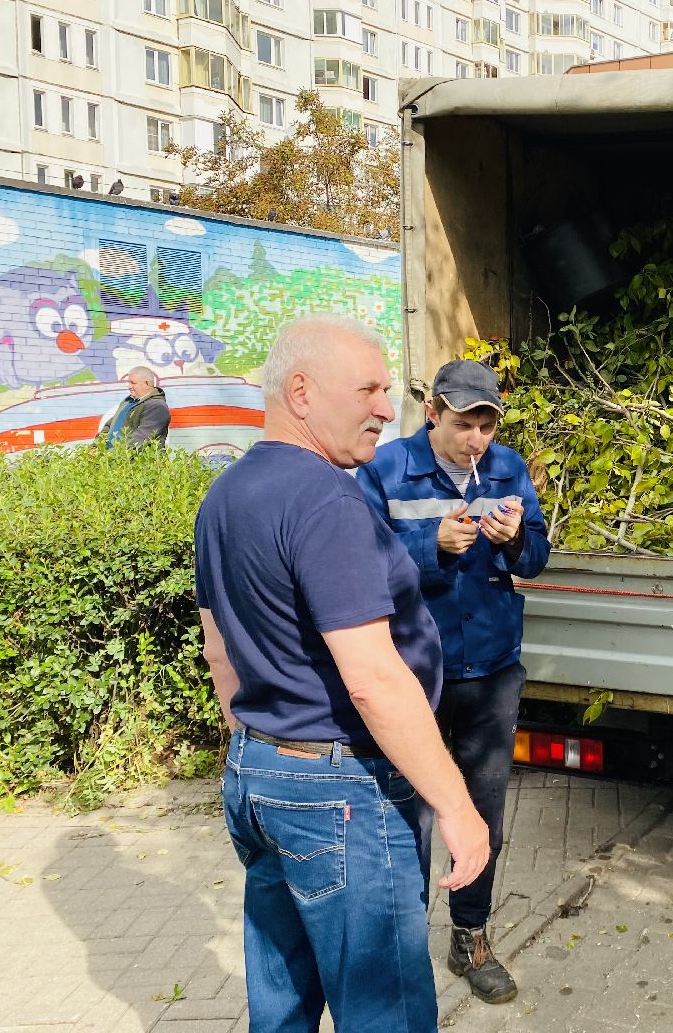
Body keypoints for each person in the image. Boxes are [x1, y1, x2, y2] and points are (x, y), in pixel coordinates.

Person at [194, 317, 489, 1033]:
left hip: (258, 775)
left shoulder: (226, 493)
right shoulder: (327, 500)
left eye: (387, 391)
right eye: (368, 390)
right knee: (384, 1010)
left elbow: (218, 649)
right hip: (342, 792)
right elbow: (373, 680)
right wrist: (457, 808)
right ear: (301, 392)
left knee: (282, 1002)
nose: (387, 409)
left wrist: (264, 747)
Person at [356, 358, 550, 1006]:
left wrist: (516, 539)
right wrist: (429, 545)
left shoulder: (508, 468)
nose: (477, 439)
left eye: (487, 426)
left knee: (483, 814)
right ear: (433, 411)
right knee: (406, 817)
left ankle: (470, 937)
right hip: (412, 673)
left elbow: (537, 559)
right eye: (465, 424)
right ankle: (402, 946)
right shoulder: (383, 469)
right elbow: (359, 566)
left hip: (491, 670)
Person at [95, 366, 170, 447]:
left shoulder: (157, 407)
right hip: (112, 454)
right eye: (129, 383)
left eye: (133, 383)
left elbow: (140, 439)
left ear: (147, 384)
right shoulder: (129, 402)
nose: (129, 386)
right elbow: (110, 425)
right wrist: (96, 446)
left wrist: (117, 453)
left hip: (128, 455)